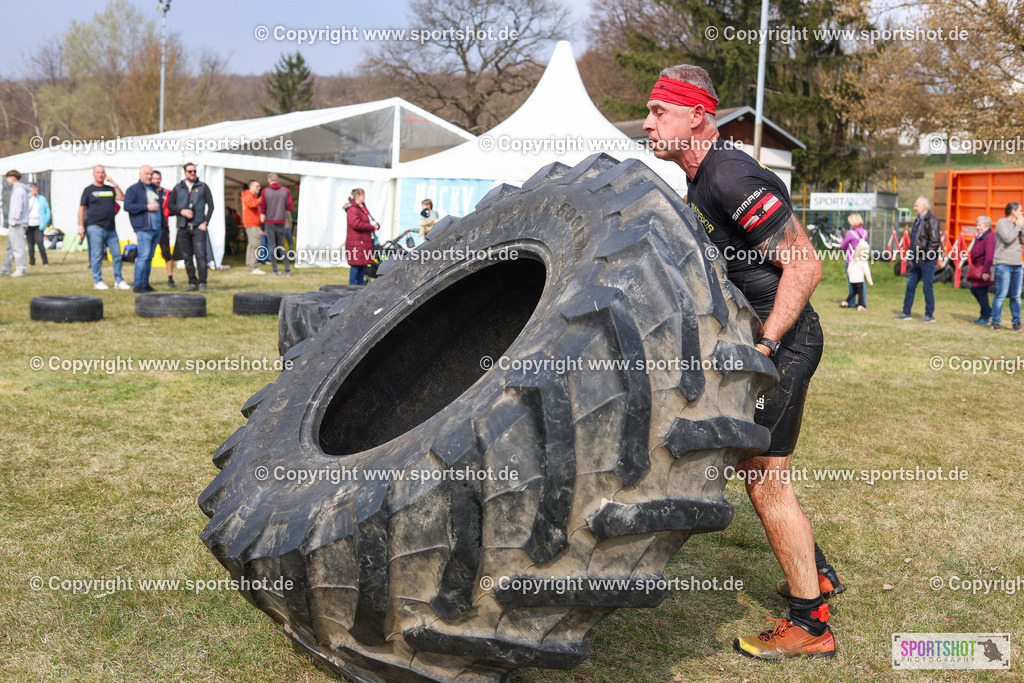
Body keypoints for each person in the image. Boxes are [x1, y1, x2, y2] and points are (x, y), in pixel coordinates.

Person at [645, 64, 840, 661]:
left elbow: (804, 263)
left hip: (785, 343)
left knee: (764, 478)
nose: (647, 123)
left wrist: (765, 347)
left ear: (697, 117)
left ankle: (811, 625)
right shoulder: (698, 179)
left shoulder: (729, 176)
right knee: (753, 466)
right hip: (758, 346)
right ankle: (819, 574)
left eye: (659, 112)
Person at [77, 165, 128, 290]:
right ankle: (98, 281)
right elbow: (82, 209)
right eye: (98, 172)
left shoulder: (110, 189)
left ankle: (118, 280)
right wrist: (81, 226)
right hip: (94, 226)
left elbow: (122, 198)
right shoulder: (89, 190)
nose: (100, 174)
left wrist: (114, 184)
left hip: (110, 227)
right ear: (93, 174)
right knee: (97, 255)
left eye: (102, 172)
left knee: (117, 254)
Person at [167, 162, 214, 292]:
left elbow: (211, 206)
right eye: (190, 171)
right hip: (183, 227)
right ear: (185, 173)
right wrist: (181, 211)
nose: (193, 173)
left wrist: (205, 222)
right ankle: (192, 282)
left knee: (201, 256)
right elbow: (170, 204)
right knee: (187, 257)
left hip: (198, 227)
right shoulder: (178, 187)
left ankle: (202, 282)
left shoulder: (203, 186)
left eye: (194, 171)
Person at [895, 197, 942, 322]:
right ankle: (906, 312)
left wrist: (926, 257)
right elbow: (915, 239)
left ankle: (929, 315)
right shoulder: (917, 220)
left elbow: (935, 242)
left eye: (917, 205)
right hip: (916, 259)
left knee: (927, 286)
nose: (914, 208)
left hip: (927, 260)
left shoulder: (932, 220)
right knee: (910, 285)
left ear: (925, 206)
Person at [124, 165, 163, 292]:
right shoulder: (133, 189)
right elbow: (127, 206)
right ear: (140, 174)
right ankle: (138, 284)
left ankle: (145, 283)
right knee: (143, 256)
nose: (149, 176)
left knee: (149, 257)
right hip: (144, 229)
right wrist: (146, 207)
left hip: (156, 228)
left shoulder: (154, 189)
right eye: (147, 174)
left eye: (151, 174)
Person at [990, 202, 1024, 332]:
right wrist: (1018, 226)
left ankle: (1016, 323)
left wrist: (1022, 227)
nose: (1022, 213)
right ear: (1013, 211)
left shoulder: (1019, 224)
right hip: (1003, 264)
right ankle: (995, 323)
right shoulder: (1001, 223)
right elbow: (1007, 239)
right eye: (1020, 210)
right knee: (1001, 295)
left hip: (1017, 265)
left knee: (1016, 296)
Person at [259, 172, 293, 276]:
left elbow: (263, 208)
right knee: (281, 246)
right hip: (281, 221)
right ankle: (287, 270)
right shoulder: (285, 190)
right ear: (278, 180)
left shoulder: (265, 191)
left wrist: (262, 223)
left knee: (272, 246)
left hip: (269, 222)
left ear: (269, 180)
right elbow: (290, 207)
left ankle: (275, 271)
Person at [344, 188, 378, 285]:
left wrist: (376, 225)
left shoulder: (362, 208)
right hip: (356, 242)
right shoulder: (352, 209)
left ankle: (360, 286)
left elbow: (370, 220)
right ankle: (352, 286)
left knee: (363, 265)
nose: (364, 197)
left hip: (364, 242)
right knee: (356, 265)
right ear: (358, 196)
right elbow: (355, 224)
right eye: (363, 195)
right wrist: (372, 227)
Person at [967, 216, 995, 324]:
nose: (977, 227)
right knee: (975, 290)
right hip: (978, 268)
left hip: (983, 269)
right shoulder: (981, 236)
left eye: (980, 225)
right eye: (977, 225)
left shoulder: (989, 237)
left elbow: (989, 255)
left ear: (987, 226)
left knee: (981, 292)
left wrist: (986, 272)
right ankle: (987, 312)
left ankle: (985, 316)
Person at [150, 170, 176, 288]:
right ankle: (144, 279)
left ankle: (170, 278)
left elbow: (173, 208)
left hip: (163, 227)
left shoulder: (166, 193)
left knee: (166, 252)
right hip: (149, 227)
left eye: (158, 179)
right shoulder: (147, 191)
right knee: (147, 254)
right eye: (154, 179)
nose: (156, 181)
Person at [4, 170, 31, 277]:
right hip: (15, 223)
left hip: (17, 224)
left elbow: (17, 208)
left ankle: (21, 269)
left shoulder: (19, 191)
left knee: (18, 247)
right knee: (11, 247)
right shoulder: (17, 190)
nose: (7, 180)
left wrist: (14, 221)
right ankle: (6, 268)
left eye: (8, 177)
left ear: (13, 177)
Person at [838, 213, 868, 308]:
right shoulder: (865, 232)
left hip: (851, 260)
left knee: (852, 282)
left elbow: (843, 246)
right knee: (861, 282)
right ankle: (862, 302)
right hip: (862, 260)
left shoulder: (850, 233)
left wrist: (841, 241)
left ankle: (851, 302)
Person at [240, 180, 265, 275]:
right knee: (256, 246)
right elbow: (252, 204)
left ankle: (251, 266)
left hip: (252, 225)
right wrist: (262, 198)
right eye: (257, 186)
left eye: (259, 186)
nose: (259, 188)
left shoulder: (249, 196)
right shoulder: (248, 196)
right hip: (252, 225)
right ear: (251, 186)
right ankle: (253, 267)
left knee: (252, 246)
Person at [26, 183, 51, 266]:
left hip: (39, 225)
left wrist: (45, 221)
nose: (36, 189)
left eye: (36, 187)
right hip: (28, 225)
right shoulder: (26, 198)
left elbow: (47, 211)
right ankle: (32, 261)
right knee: (30, 244)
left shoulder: (42, 199)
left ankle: (45, 261)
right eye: (34, 188)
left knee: (40, 242)